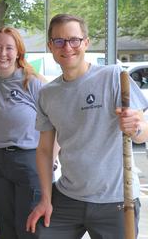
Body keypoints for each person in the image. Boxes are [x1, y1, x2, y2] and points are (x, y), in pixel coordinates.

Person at [26, 14, 148, 238]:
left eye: (74, 40)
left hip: (116, 200)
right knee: (39, 233)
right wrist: (45, 198)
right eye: (59, 41)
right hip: (68, 196)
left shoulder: (113, 77)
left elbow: (142, 133)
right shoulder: (47, 94)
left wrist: (136, 127)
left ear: (86, 43)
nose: (68, 47)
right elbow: (44, 150)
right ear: (50, 46)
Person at [0, 26, 45, 239]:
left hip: (27, 159)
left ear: (18, 52)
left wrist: (51, 161)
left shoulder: (32, 83)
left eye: (9, 48)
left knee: (29, 228)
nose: (3, 54)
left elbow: (56, 124)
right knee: (4, 228)